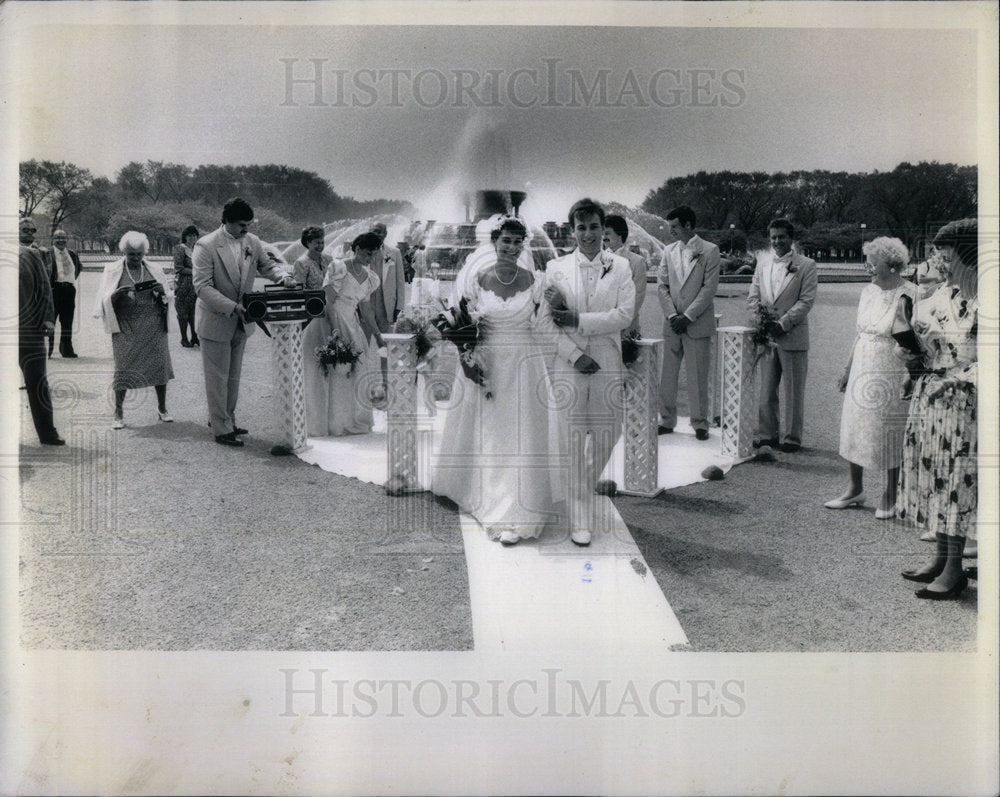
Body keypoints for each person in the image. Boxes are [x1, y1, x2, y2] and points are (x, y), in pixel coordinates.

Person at [433, 217, 565, 544]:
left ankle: (517, 509)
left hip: (523, 364)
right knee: (489, 432)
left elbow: (545, 326)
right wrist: (466, 356)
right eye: (506, 240)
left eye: (517, 242)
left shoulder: (536, 282)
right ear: (495, 242)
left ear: (524, 245)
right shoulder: (477, 279)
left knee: (519, 432)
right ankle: (487, 498)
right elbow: (461, 322)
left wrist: (560, 307)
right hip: (487, 362)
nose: (511, 247)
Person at [544, 198, 635, 545]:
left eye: (594, 226)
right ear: (572, 231)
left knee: (608, 430)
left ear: (603, 228)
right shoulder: (556, 268)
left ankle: (581, 488)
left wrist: (579, 320)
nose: (588, 234)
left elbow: (624, 315)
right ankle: (580, 515)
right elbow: (544, 323)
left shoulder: (621, 267)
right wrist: (573, 354)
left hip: (607, 359)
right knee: (570, 435)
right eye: (581, 228)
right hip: (569, 362)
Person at [897, 218, 978, 599]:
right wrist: (911, 353)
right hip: (934, 396)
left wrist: (961, 377)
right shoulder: (942, 296)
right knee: (937, 480)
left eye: (946, 256)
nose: (940, 264)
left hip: (965, 401)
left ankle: (954, 570)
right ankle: (940, 557)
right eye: (938, 256)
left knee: (957, 484)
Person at [192, 198, 295, 447]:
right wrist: (232, 307)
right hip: (217, 319)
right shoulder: (205, 245)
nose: (246, 229)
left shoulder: (253, 242)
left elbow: (268, 266)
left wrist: (284, 276)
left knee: (233, 377)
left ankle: (226, 419)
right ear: (225, 221)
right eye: (241, 225)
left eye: (249, 224)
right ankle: (221, 428)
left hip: (242, 321)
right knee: (217, 377)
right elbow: (202, 286)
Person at [825, 237, 915, 516]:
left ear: (891, 266)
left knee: (887, 429)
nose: (868, 268)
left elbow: (914, 339)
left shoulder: (910, 293)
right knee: (855, 425)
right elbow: (861, 333)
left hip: (891, 365)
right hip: (863, 361)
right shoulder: (867, 291)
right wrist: (847, 368)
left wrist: (909, 374)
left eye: (873, 264)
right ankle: (855, 488)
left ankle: (891, 492)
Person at [747, 218, 818, 452]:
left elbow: (806, 301)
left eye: (781, 237)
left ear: (791, 238)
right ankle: (767, 435)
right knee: (767, 390)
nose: (777, 241)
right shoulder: (762, 264)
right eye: (773, 237)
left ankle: (792, 438)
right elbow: (753, 297)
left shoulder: (807, 265)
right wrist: (763, 321)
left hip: (793, 335)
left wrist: (783, 323)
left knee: (794, 391)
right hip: (768, 336)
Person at [93, 231, 175, 429]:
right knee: (123, 369)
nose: (136, 258)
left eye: (139, 254)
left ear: (144, 252)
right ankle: (118, 412)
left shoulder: (154, 269)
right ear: (124, 253)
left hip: (153, 325)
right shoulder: (113, 270)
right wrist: (116, 295)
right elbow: (102, 300)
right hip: (125, 327)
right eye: (131, 254)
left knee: (159, 365)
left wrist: (161, 292)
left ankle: (162, 408)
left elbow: (168, 297)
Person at [655, 206, 721, 440]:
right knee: (668, 376)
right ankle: (666, 420)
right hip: (673, 324)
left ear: (689, 226)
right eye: (669, 226)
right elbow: (661, 285)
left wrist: (688, 316)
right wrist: (673, 316)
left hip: (697, 324)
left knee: (698, 375)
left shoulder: (711, 251)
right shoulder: (667, 251)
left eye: (674, 227)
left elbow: (709, 289)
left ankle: (700, 423)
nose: (670, 231)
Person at [312, 233, 386, 436]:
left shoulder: (371, 278)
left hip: (352, 323)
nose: (370, 259)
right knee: (333, 371)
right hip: (330, 320)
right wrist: (335, 330)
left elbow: (367, 309)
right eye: (368, 253)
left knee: (356, 370)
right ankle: (332, 422)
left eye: (374, 255)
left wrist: (379, 336)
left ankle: (350, 420)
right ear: (358, 248)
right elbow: (329, 299)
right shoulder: (339, 267)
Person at [18, 217, 64, 445]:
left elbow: (45, 288)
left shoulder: (30, 255)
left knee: (38, 383)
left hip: (29, 330)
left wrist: (48, 319)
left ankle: (47, 432)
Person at [602, 215, 647, 334]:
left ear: (620, 235)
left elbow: (638, 296)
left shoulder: (637, 261)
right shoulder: (596, 261)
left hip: (626, 328)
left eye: (607, 233)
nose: (603, 237)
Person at [44, 229, 82, 358]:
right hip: (53, 290)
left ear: (67, 240)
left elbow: (78, 268)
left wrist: (68, 281)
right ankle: (48, 350)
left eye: (63, 238)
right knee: (50, 320)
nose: (61, 240)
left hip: (68, 291)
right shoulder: (47, 253)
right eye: (57, 238)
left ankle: (66, 349)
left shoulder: (72, 254)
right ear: (53, 240)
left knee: (67, 321)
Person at [368, 222, 406, 334]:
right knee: (362, 344)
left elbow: (400, 283)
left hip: (386, 306)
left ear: (386, 234)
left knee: (386, 343)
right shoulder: (360, 252)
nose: (378, 235)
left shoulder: (394, 253)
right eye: (375, 231)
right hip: (365, 305)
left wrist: (399, 307)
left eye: (381, 232)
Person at [172, 225, 200, 347]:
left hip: (195, 284)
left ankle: (194, 336)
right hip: (184, 284)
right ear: (185, 237)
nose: (192, 238)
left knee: (193, 311)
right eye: (189, 235)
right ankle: (184, 338)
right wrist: (196, 272)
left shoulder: (197, 249)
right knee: (183, 312)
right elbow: (178, 268)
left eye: (194, 235)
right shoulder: (180, 249)